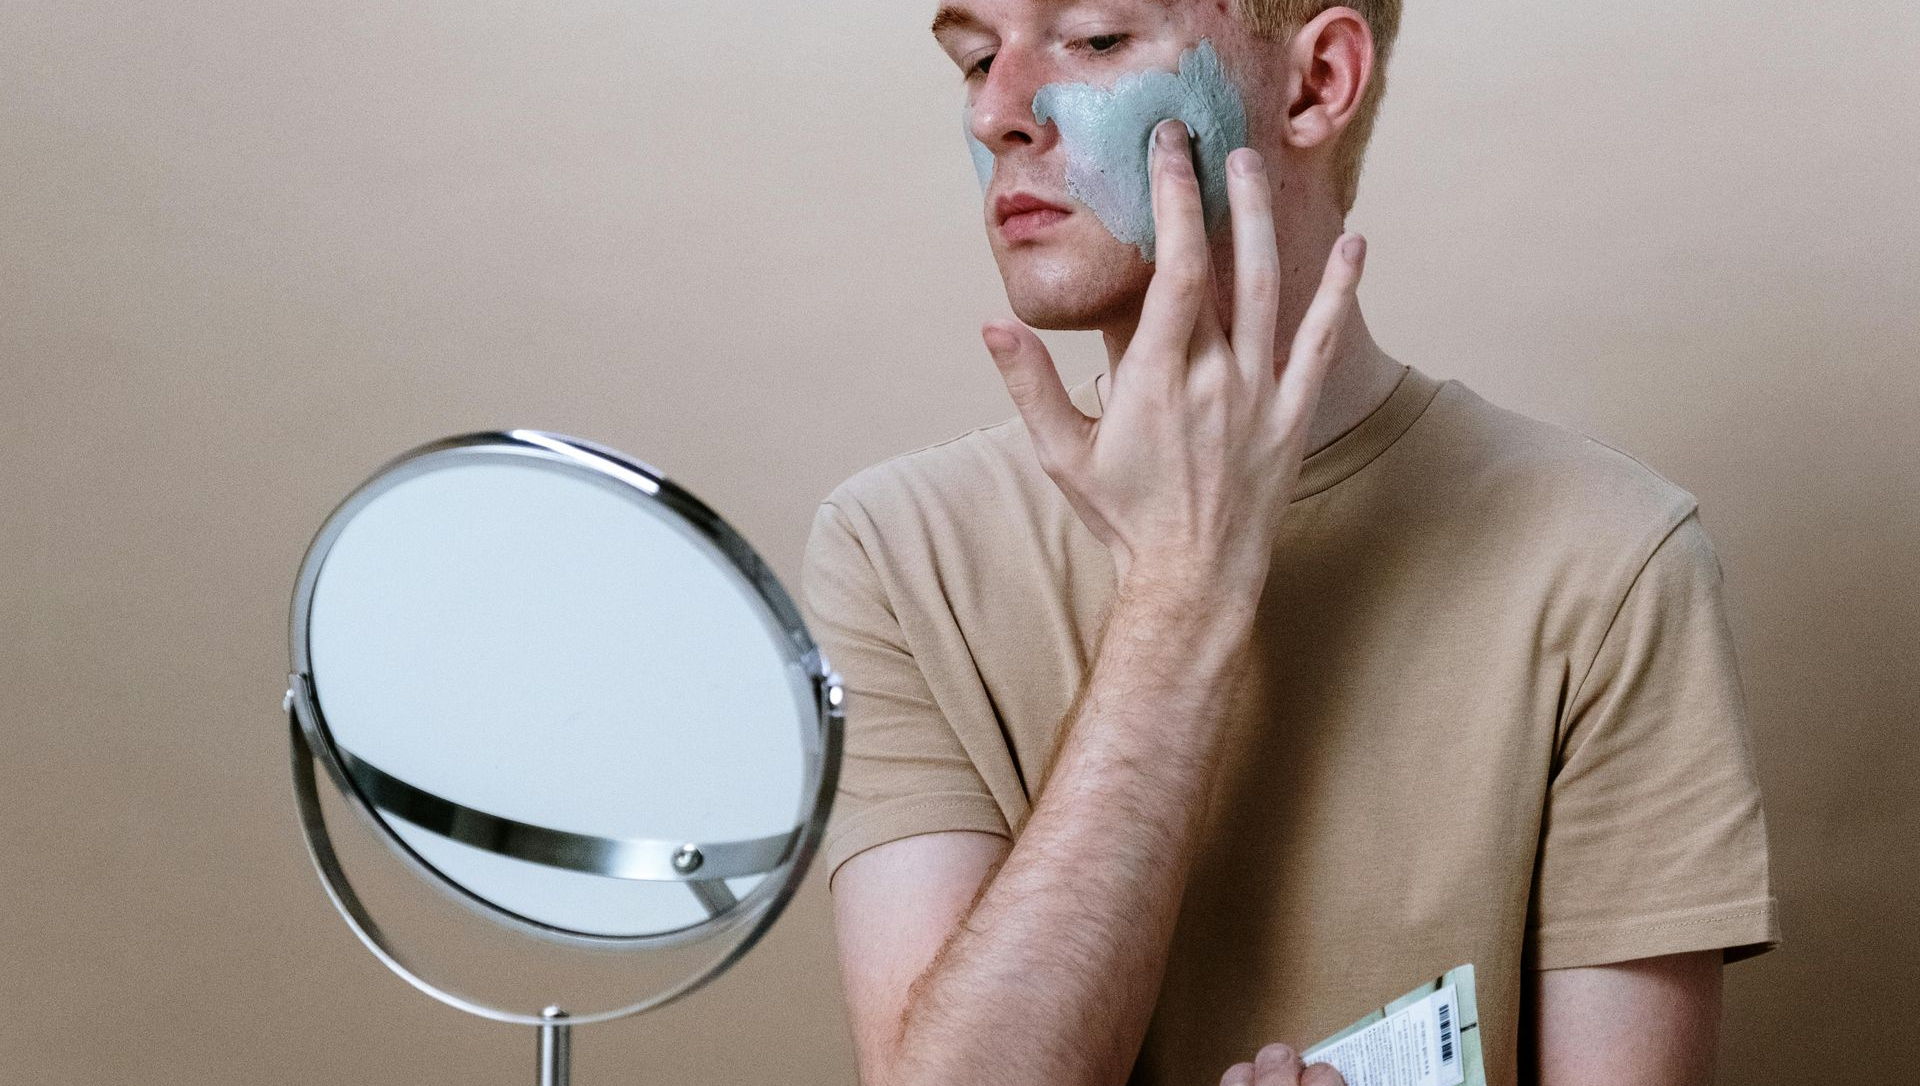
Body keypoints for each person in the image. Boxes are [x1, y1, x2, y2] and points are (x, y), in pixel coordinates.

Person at [798, 3, 1781, 1085]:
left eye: (1094, 38)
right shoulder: (896, 554)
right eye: (978, 57)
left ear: (1317, 83)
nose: (995, 111)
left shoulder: (1611, 562)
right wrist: (1182, 593)